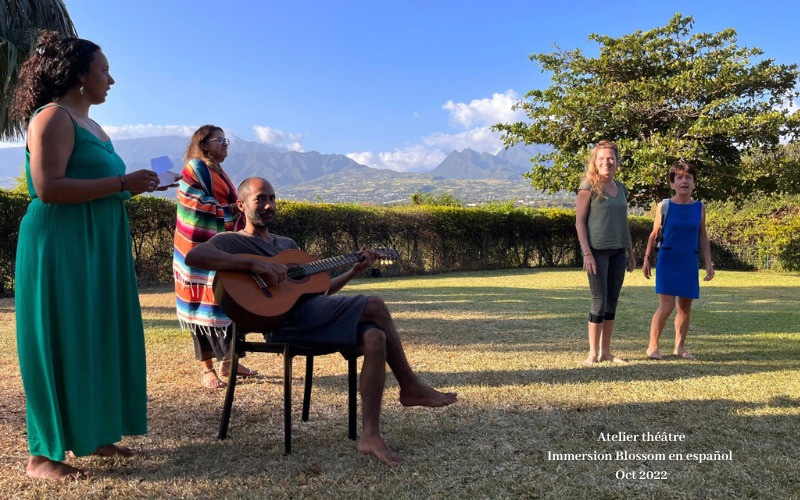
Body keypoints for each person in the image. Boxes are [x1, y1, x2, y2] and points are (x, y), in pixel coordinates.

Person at [185, 177, 458, 465]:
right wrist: (254, 263)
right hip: (281, 324)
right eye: (260, 199)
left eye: (273, 198)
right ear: (241, 205)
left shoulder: (288, 245)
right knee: (375, 304)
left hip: (313, 316)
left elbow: (319, 291)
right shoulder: (233, 241)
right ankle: (411, 386)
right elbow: (195, 255)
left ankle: (371, 436)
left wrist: (354, 271)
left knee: (375, 337)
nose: (269, 205)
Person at [10, 31, 160, 480]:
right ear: (80, 75)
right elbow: (48, 188)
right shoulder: (52, 118)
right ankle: (43, 456)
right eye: (104, 71)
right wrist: (121, 184)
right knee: (60, 335)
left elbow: (99, 183)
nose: (111, 80)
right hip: (61, 243)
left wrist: (137, 185)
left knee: (95, 334)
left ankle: (93, 432)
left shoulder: (93, 126)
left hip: (98, 242)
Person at [173, 125, 256, 389]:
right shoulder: (195, 169)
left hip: (221, 249)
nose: (225, 144)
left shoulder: (217, 171)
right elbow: (191, 204)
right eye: (219, 140)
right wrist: (230, 209)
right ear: (204, 144)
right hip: (198, 251)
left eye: (226, 139)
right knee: (201, 306)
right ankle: (207, 369)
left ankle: (230, 361)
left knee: (231, 301)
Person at [642, 161, 714, 360]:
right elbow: (654, 233)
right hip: (668, 258)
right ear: (672, 183)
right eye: (679, 178)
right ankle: (653, 347)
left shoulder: (700, 207)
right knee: (666, 306)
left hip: (689, 260)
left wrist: (708, 263)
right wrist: (647, 258)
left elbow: (703, 236)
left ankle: (680, 347)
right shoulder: (664, 206)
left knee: (685, 307)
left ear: (694, 184)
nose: (684, 181)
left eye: (688, 178)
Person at [575, 140, 636, 366]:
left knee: (612, 302)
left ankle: (606, 352)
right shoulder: (587, 186)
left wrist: (630, 251)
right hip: (597, 252)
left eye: (610, 158)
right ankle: (592, 353)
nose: (606, 162)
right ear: (595, 161)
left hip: (619, 251)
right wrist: (586, 253)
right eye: (601, 158)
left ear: (617, 161)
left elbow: (623, 222)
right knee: (599, 301)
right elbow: (579, 223)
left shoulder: (621, 188)